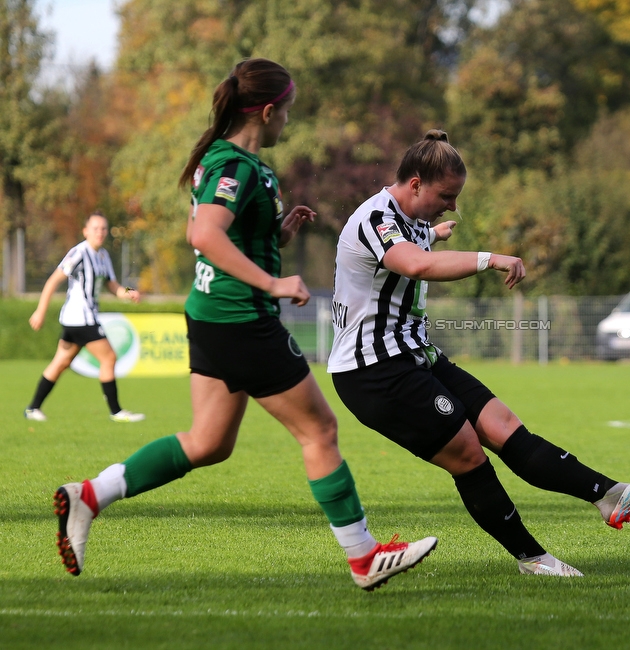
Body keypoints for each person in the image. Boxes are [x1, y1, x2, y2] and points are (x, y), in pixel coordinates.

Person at [53, 58, 436, 591]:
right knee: (320, 430)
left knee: (208, 443)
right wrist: (274, 283)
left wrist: (278, 232)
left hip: (213, 316)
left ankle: (89, 496)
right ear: (268, 110)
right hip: (241, 320)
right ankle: (363, 557)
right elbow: (205, 236)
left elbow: (225, 236)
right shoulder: (235, 166)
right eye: (288, 112)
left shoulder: (236, 163)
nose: (289, 123)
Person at [328, 130, 630, 577]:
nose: (454, 205)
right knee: (469, 454)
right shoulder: (376, 216)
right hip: (374, 370)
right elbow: (414, 263)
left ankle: (610, 495)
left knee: (505, 427)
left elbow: (414, 245)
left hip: (416, 354)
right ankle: (534, 560)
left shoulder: (408, 219)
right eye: (447, 196)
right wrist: (490, 258)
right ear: (415, 184)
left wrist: (434, 232)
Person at [25, 211, 145, 423]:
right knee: (109, 358)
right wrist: (40, 311)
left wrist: (128, 293)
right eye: (95, 228)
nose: (100, 233)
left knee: (61, 362)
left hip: (79, 320)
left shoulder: (103, 256)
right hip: (81, 318)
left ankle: (33, 408)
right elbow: (53, 281)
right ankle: (116, 412)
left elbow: (113, 286)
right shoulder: (79, 253)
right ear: (86, 231)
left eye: (103, 229)